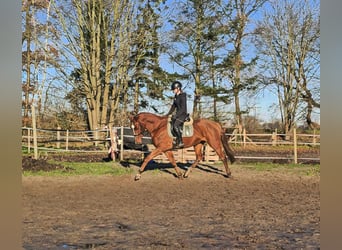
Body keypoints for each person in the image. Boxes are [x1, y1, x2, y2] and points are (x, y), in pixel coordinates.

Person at [166, 81, 187, 148]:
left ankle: (180, 142)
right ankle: (175, 139)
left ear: (178, 88)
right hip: (178, 114)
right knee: (171, 123)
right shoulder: (176, 96)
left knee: (175, 125)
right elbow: (173, 106)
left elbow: (183, 108)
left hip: (183, 114)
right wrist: (168, 114)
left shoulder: (183, 96)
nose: (173, 91)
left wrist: (176, 115)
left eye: (174, 89)